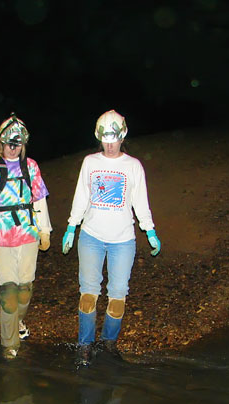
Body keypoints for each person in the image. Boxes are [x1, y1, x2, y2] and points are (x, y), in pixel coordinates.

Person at [62, 110, 160, 366]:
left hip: (123, 239)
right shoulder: (90, 162)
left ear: (122, 136)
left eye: (114, 139)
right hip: (91, 236)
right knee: (88, 293)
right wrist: (72, 226)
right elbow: (81, 196)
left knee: (118, 295)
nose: (109, 145)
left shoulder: (133, 166)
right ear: (99, 138)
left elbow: (141, 201)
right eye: (105, 139)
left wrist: (149, 230)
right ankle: (85, 345)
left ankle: (108, 342)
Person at [0, 113, 52, 359]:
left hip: (28, 234)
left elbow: (40, 200)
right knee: (9, 291)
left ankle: (19, 323)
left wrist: (45, 230)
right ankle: (9, 344)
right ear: (1, 143)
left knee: (25, 289)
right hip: (0, 235)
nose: (13, 149)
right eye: (9, 144)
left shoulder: (31, 167)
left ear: (23, 145)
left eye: (17, 145)